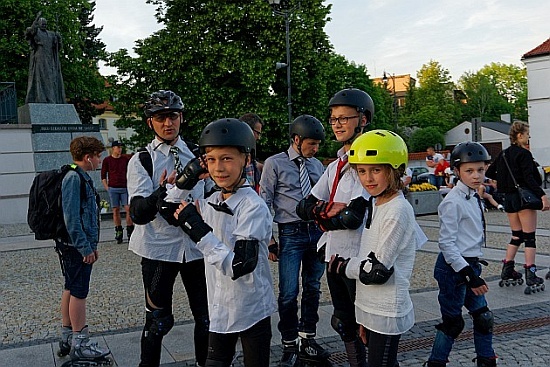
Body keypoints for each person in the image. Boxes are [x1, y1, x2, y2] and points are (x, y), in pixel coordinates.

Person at [174, 118, 277, 366]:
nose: (218, 168)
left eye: (227, 158)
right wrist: (186, 180)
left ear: (247, 160)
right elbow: (167, 206)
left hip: (252, 309)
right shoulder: (211, 201)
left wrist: (199, 231)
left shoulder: (253, 207)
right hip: (220, 309)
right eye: (211, 160)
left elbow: (239, 266)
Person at [328, 130, 424, 367]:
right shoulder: (374, 203)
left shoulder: (397, 210)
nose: (368, 178)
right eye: (362, 171)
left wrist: (342, 266)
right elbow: (367, 255)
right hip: (370, 307)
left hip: (387, 309)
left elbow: (376, 270)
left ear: (395, 170)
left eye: (376, 170)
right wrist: (362, 316)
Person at [127, 90, 209, 367]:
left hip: (197, 249)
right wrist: (161, 192)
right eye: (160, 118)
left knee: (207, 316)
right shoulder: (142, 159)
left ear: (181, 117)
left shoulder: (199, 157)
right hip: (158, 248)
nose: (167, 123)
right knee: (158, 321)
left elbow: (212, 197)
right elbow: (138, 213)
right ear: (151, 122)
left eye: (172, 116)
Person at [296, 88, 372, 366]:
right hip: (334, 254)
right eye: (333, 119)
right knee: (343, 322)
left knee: (368, 324)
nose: (337, 124)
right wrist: (332, 211)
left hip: (361, 256)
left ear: (363, 119)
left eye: (344, 118)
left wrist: (323, 214)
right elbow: (303, 207)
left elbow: (353, 218)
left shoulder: (370, 162)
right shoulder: (336, 165)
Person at [259, 115, 329, 366]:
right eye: (311, 144)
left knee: (313, 287)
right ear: (297, 140)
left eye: (318, 144)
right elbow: (264, 201)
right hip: (290, 232)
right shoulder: (274, 164)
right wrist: (268, 239)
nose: (315, 149)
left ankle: (308, 336)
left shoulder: (317, 164)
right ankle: (289, 342)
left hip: (316, 231)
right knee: (289, 292)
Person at [425, 142, 498, 367]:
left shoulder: (474, 195)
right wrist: (469, 274)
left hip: (471, 265)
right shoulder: (452, 202)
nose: (476, 176)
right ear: (456, 171)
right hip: (453, 269)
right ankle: (436, 362)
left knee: (484, 318)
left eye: (480, 170)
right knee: (453, 324)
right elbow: (446, 244)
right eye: (469, 171)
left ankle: (487, 361)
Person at [57, 136, 111, 362]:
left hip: (76, 246)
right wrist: (84, 248)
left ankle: (67, 336)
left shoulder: (78, 176)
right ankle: (80, 342)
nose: (99, 161)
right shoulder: (73, 178)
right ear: (88, 157)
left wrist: (90, 245)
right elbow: (72, 218)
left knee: (71, 287)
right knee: (79, 291)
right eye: (98, 156)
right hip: (74, 247)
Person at [486, 121, 550, 288]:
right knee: (529, 237)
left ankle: (508, 268)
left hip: (509, 199)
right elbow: (530, 178)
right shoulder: (524, 154)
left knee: (516, 235)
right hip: (524, 199)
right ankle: (531, 272)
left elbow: (490, 172)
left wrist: (505, 181)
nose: (529, 137)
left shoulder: (504, 154)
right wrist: (542, 196)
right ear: (520, 135)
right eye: (527, 134)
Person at [25, 12, 66, 104]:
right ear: (38, 24)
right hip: (40, 57)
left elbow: (57, 47)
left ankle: (52, 99)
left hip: (50, 58)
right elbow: (30, 32)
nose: (44, 25)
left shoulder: (51, 34)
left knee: (52, 79)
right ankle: (41, 98)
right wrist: (36, 19)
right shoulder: (36, 31)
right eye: (42, 24)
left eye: (45, 24)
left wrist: (59, 39)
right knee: (40, 78)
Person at [101, 140, 134, 243]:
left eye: (121, 147)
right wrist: (107, 187)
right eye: (118, 147)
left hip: (125, 187)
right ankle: (118, 230)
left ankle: (130, 229)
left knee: (128, 208)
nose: (120, 149)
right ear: (113, 148)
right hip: (113, 188)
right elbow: (103, 175)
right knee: (116, 210)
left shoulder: (125, 159)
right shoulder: (107, 160)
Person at [239, 112, 264, 193]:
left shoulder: (249, 151)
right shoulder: (235, 153)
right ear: (248, 129)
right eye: (257, 133)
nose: (258, 137)